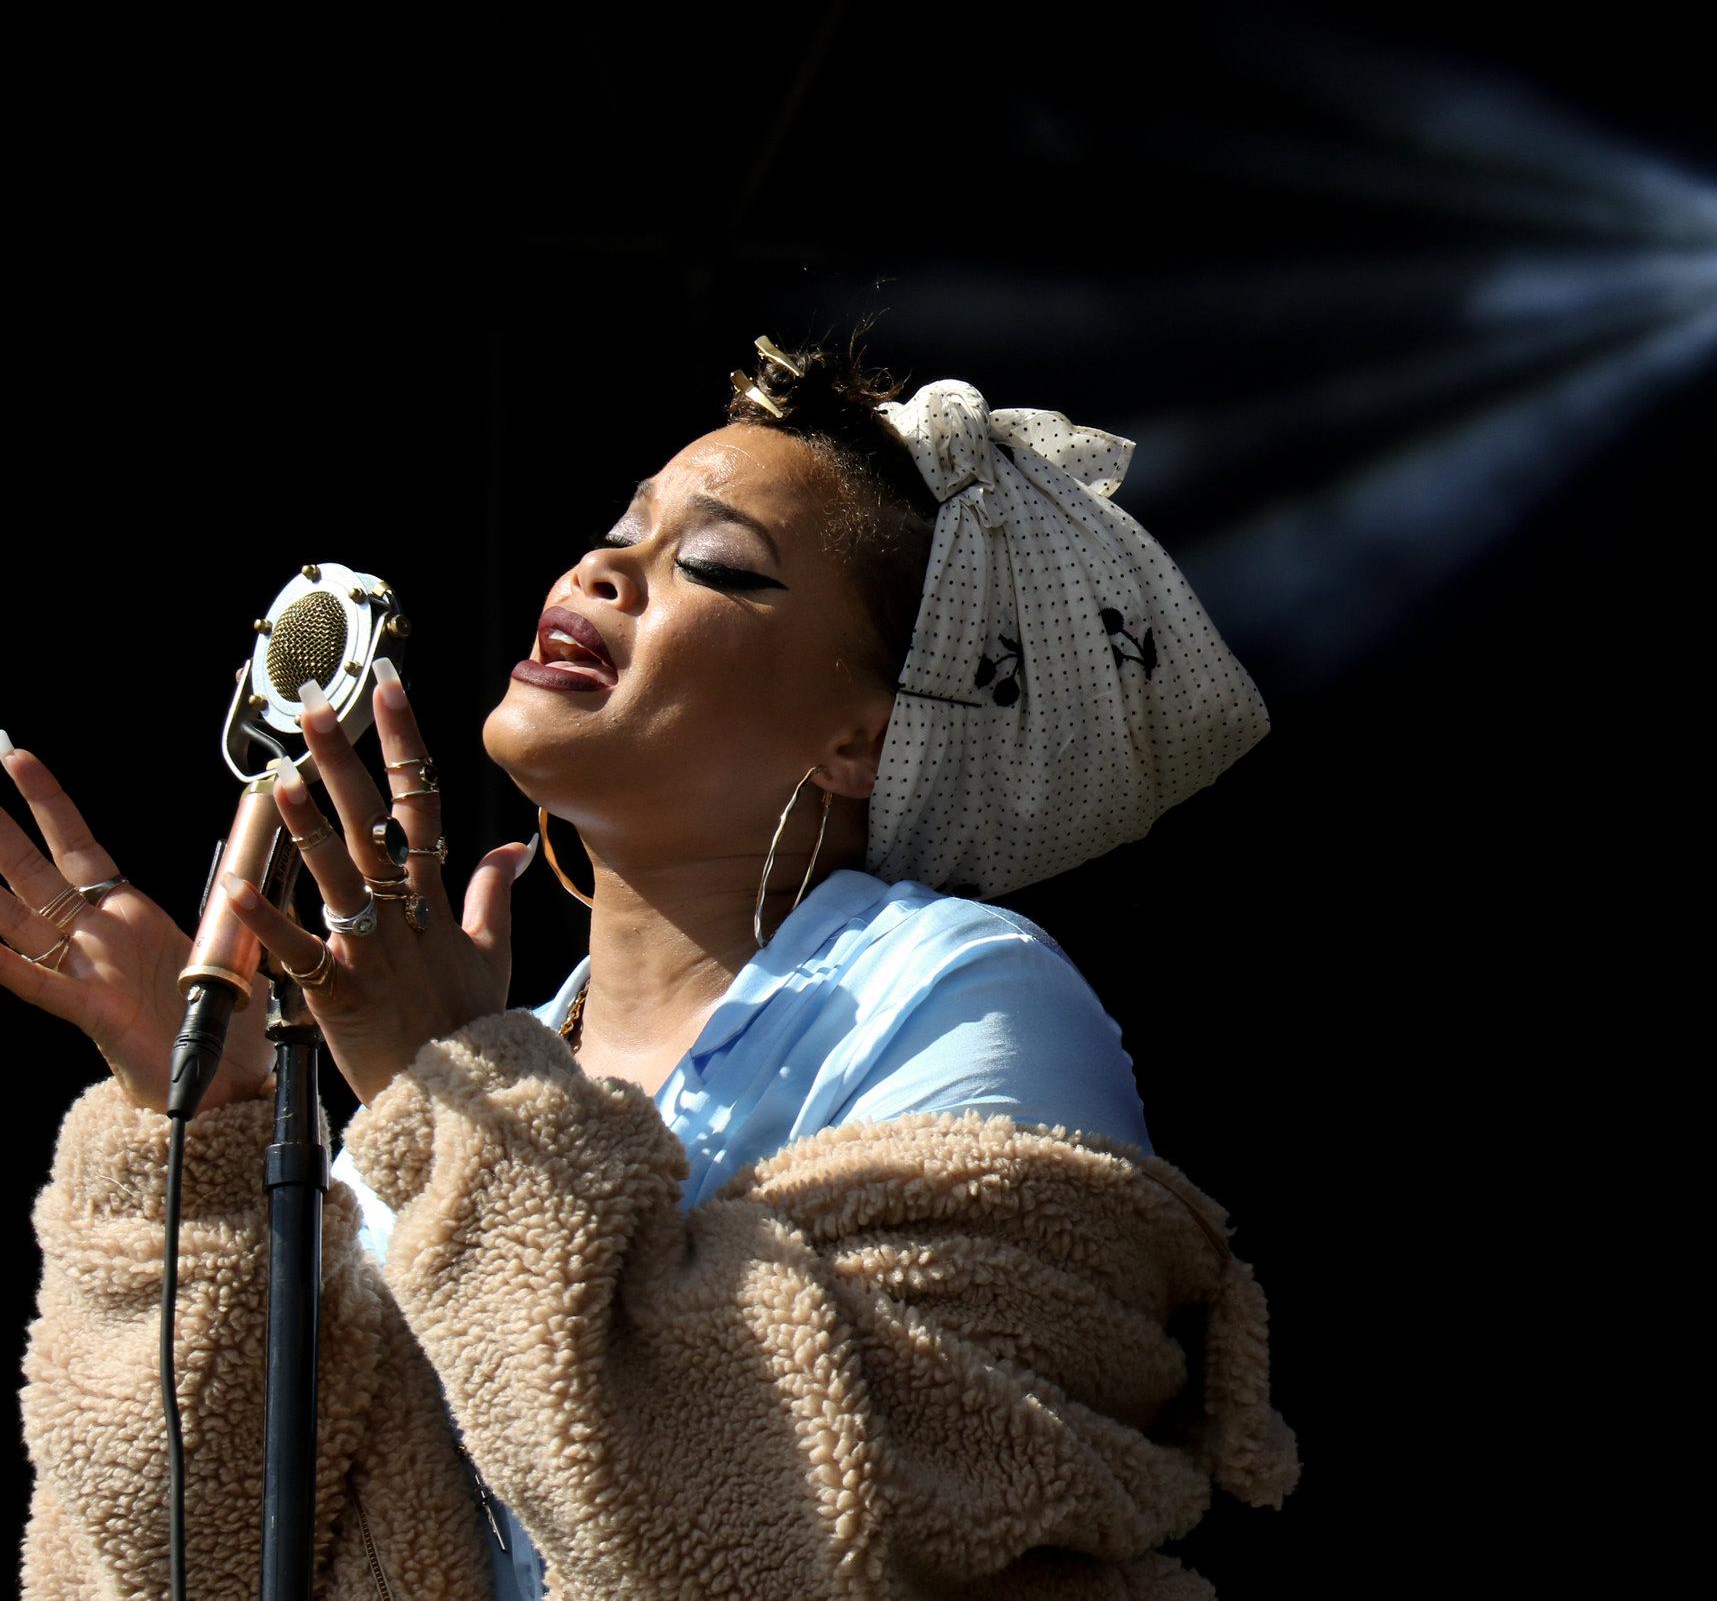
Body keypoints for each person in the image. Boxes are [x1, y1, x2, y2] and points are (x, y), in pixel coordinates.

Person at [3, 326, 1298, 1599]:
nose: (605, 570)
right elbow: (196, 1560)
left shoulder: (956, 994)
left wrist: (464, 1088)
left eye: (719, 566)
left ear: (864, 738)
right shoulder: (440, 1104)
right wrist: (214, 1130)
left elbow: (833, 1524)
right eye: (621, 529)